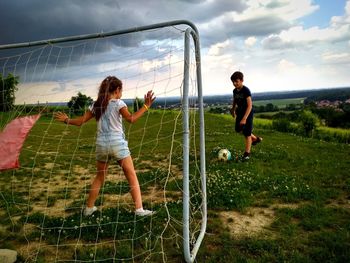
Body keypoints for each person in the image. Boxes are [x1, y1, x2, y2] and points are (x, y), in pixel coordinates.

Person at [54, 76, 156, 216]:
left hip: (101, 145)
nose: (122, 93)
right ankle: (139, 209)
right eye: (121, 90)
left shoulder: (96, 105)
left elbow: (79, 122)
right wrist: (146, 106)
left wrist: (66, 120)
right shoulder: (119, 103)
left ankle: (89, 208)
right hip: (117, 144)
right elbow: (131, 119)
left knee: (99, 177)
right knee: (131, 175)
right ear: (117, 89)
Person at [230, 71, 262, 160]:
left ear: (242, 80)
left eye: (236, 81)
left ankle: (247, 154)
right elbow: (235, 100)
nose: (234, 83)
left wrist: (244, 118)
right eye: (233, 82)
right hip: (239, 112)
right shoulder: (234, 91)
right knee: (238, 129)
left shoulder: (246, 90)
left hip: (247, 113)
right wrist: (233, 109)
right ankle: (255, 139)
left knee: (247, 133)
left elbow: (250, 105)